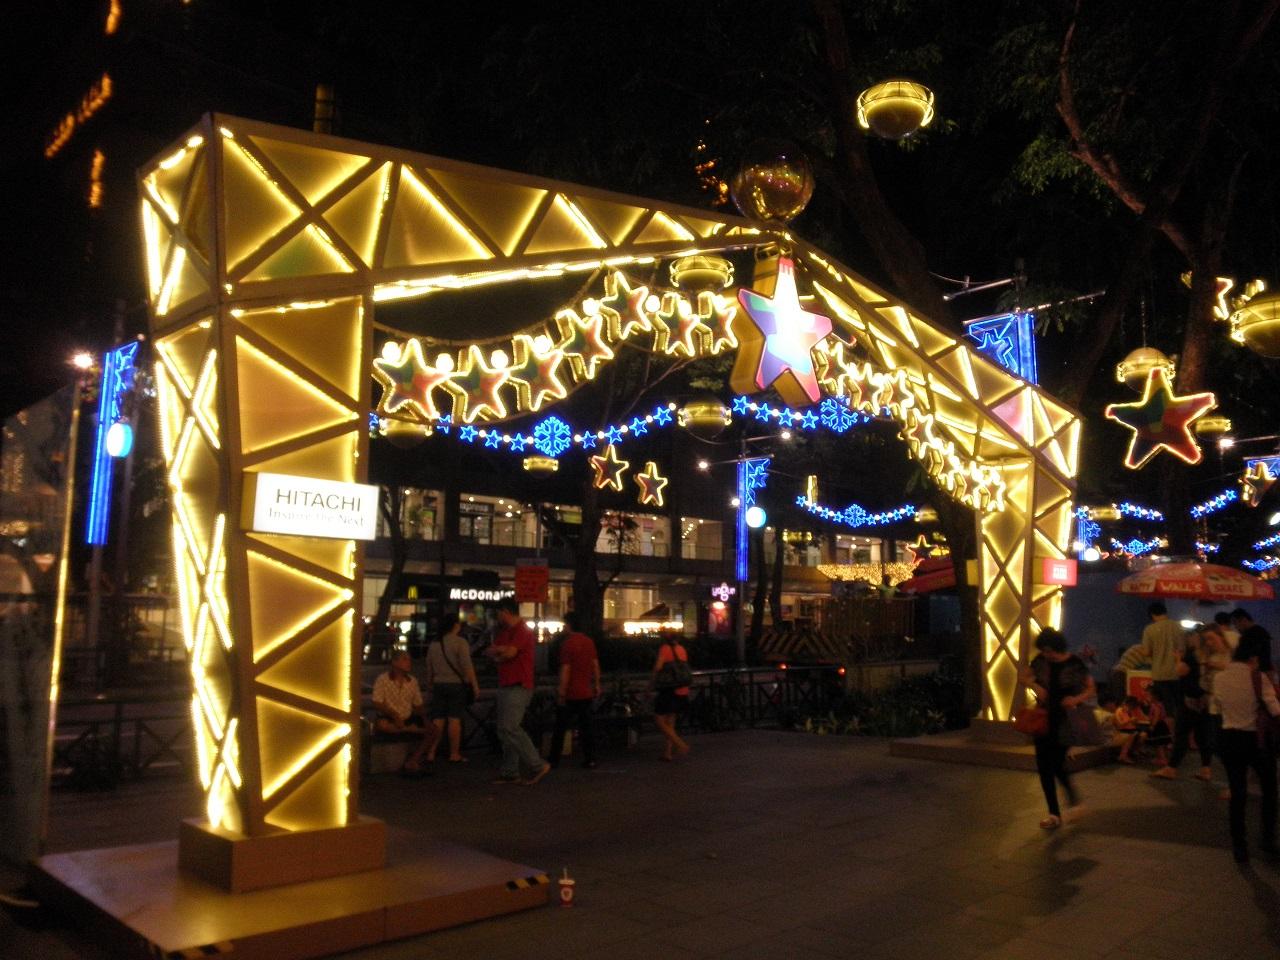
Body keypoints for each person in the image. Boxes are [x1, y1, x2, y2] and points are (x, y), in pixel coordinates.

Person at [1018, 627, 1095, 830]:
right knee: (1043, 767)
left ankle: (1074, 802)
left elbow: (1090, 688)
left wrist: (1075, 699)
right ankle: (1054, 814)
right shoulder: (1040, 661)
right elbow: (1022, 677)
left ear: (1058, 647)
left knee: (1057, 764)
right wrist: (1035, 686)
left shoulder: (1074, 663)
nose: (1046, 654)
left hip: (1066, 720)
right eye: (1043, 650)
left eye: (1049, 650)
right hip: (1043, 718)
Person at [1212, 633, 1280, 862]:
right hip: (1256, 741)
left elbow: (1217, 708)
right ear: (1254, 658)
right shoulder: (1259, 678)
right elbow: (1275, 710)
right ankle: (1267, 839)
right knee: (1269, 789)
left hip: (1228, 738)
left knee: (1237, 792)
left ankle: (1239, 846)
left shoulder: (1219, 678)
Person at [486, 597, 551, 785]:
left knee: (509, 727)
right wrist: (502, 652)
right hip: (508, 683)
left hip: (518, 684)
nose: (497, 617)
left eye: (499, 613)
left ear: (505, 612)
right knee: (505, 729)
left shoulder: (522, 630)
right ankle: (510, 771)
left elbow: (506, 653)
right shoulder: (508, 632)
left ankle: (536, 764)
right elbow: (496, 653)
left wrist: (500, 652)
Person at [423, 613, 480, 764]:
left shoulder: (434, 644)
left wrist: (429, 685)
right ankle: (454, 753)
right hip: (456, 685)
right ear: (455, 625)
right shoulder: (460, 642)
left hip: (438, 684)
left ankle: (431, 751)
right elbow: (467, 666)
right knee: (454, 719)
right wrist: (474, 685)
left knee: (438, 719)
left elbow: (429, 667)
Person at [548, 612, 601, 769]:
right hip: (586, 691)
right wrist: (597, 684)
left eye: (565, 624)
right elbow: (595, 664)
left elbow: (566, 669)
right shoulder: (589, 642)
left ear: (569, 625)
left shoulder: (567, 644)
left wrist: (561, 691)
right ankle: (590, 758)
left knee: (560, 727)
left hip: (571, 693)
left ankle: (554, 759)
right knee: (586, 727)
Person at [371, 650, 430, 774]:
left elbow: (418, 704)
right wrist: (394, 715)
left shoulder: (412, 681)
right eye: (404, 659)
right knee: (382, 725)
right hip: (389, 716)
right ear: (395, 662)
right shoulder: (383, 679)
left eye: (409, 659)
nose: (409, 662)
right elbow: (377, 702)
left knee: (433, 730)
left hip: (407, 717)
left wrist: (425, 719)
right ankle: (410, 729)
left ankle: (413, 760)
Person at [1137, 602, 1187, 725]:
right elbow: (1182, 650)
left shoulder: (1149, 629)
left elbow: (1147, 652)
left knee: (1166, 707)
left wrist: (1141, 649)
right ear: (1165, 612)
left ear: (1152, 615)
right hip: (1177, 673)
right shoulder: (1177, 627)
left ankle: (1171, 733)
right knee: (1180, 705)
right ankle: (1183, 732)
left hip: (1159, 674)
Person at [651, 636, 691, 761]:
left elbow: (658, 667)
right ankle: (667, 752)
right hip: (682, 689)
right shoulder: (682, 649)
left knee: (659, 719)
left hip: (669, 689)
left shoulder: (665, 648)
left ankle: (680, 744)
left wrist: (650, 684)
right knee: (670, 721)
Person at [1230, 609, 1275, 677]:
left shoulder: (1249, 635)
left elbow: (1248, 656)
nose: (1235, 627)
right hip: (1265, 671)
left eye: (1235, 623)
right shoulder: (1261, 631)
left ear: (1244, 620)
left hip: (1255, 674)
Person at [1113, 695, 1149, 764]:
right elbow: (1119, 725)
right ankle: (1123, 756)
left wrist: (1135, 721)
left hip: (1132, 729)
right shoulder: (1119, 711)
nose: (1130, 708)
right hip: (1124, 730)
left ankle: (1135, 751)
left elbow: (1140, 719)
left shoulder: (1129, 711)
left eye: (1132, 707)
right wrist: (1129, 720)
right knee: (1133, 735)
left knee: (1144, 734)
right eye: (1130, 706)